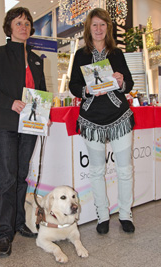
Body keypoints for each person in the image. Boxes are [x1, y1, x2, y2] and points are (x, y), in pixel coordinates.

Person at [0, 7, 48, 257]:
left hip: (30, 126)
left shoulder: (37, 59)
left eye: (27, 22)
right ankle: (4, 232)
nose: (23, 26)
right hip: (5, 124)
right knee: (7, 179)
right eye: (18, 23)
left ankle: (19, 222)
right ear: (9, 27)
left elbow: (41, 92)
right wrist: (9, 102)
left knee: (21, 178)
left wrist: (43, 115)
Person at [69, 8, 135, 235]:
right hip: (91, 119)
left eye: (102, 25)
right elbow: (73, 85)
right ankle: (102, 216)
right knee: (97, 170)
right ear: (89, 28)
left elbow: (130, 84)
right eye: (94, 25)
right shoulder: (80, 55)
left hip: (119, 118)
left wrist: (121, 79)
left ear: (108, 28)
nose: (98, 29)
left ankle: (125, 214)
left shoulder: (117, 54)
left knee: (124, 170)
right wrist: (85, 90)